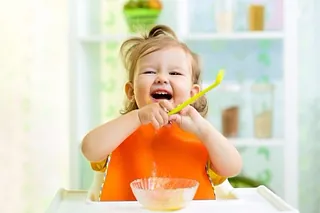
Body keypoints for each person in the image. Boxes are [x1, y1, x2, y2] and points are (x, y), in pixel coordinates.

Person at [81, 24, 242, 201]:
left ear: (192, 93)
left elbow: (233, 167)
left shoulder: (202, 137)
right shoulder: (119, 133)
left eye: (174, 73)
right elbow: (89, 149)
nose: (162, 78)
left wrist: (204, 130)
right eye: (149, 71)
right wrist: (137, 117)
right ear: (131, 91)